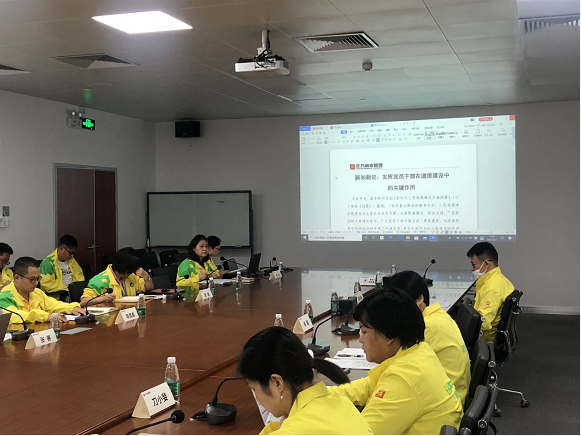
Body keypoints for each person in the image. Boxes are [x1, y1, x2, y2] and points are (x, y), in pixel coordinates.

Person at [328, 288, 463, 435]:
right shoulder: (419, 351)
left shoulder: (403, 378)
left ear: (389, 336)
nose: (360, 339)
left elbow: (361, 432)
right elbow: (369, 385)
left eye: (364, 332)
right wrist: (323, 395)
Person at [238, 326, 373, 435]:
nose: (257, 398)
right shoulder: (342, 403)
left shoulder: (294, 429)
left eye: (254, 389)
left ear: (277, 383)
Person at [386, 270, 471, 405]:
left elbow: (394, 362)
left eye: (402, 305)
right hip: (451, 393)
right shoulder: (439, 316)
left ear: (420, 299)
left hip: (444, 402)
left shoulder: (426, 327)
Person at [0, 257, 86, 323]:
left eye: (38, 278)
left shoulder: (36, 292)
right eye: (32, 279)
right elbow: (13, 316)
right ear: (17, 278)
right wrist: (46, 316)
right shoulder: (4, 296)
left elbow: (53, 305)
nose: (36, 283)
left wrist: (72, 308)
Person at [467, 242, 515, 344]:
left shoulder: (492, 287)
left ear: (486, 264)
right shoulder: (501, 280)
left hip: (483, 341)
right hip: (488, 336)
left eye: (473, 264)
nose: (472, 269)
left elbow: (483, 322)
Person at [80, 247, 153, 307]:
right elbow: (83, 302)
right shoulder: (100, 280)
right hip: (107, 318)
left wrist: (146, 276)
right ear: (123, 267)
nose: (131, 273)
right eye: (130, 270)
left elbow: (149, 287)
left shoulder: (130, 276)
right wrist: (103, 299)